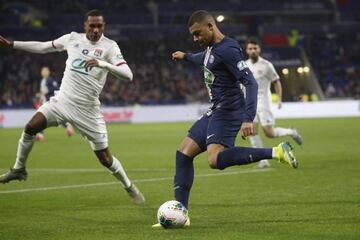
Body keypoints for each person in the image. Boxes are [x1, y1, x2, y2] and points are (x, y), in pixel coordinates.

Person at [152, 10, 298, 227]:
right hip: (216, 109)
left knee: (214, 160)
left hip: (229, 111)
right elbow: (204, 59)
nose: (196, 39)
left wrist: (248, 118)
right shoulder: (211, 48)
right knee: (183, 154)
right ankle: (181, 215)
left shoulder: (229, 49)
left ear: (211, 26)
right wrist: (185, 56)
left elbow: (251, 83)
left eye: (198, 33)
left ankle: (277, 152)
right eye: (193, 35)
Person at [0, 9, 145, 205]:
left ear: (104, 27)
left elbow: (128, 75)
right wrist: (13, 44)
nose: (95, 29)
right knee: (30, 127)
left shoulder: (110, 46)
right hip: (62, 102)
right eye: (91, 25)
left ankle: (128, 186)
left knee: (105, 159)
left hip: (88, 111)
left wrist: (104, 65)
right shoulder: (72, 38)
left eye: (99, 26)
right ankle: (19, 169)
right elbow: (43, 47)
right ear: (85, 25)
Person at [245, 38, 302, 168]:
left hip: (264, 101)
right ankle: (263, 160)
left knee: (269, 133)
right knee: (251, 130)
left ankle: (291, 132)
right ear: (246, 50)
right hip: (249, 102)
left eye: (255, 48)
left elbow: (276, 81)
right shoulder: (244, 65)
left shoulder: (267, 65)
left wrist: (280, 99)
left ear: (259, 49)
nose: (253, 51)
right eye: (250, 48)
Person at [35, 66, 74, 141]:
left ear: (48, 72)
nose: (44, 73)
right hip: (45, 101)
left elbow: (56, 88)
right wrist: (40, 96)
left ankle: (40, 134)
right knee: (48, 117)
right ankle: (67, 126)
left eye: (45, 71)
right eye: (43, 71)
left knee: (43, 117)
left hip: (51, 101)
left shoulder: (50, 80)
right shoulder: (43, 81)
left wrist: (46, 92)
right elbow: (43, 91)